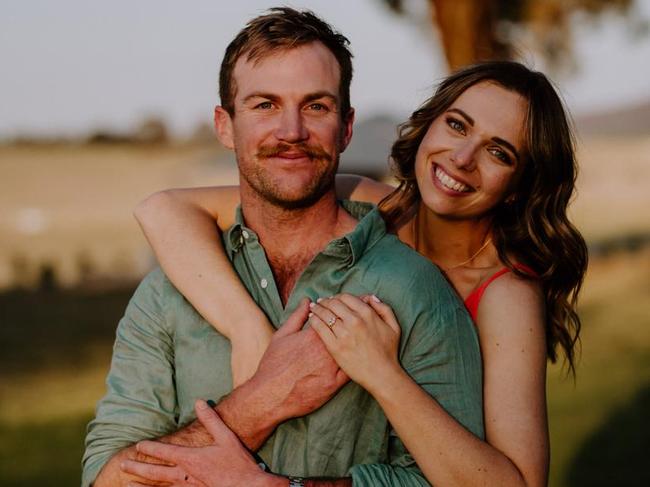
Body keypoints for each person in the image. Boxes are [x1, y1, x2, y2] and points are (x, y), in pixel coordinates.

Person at [131, 60, 588, 486]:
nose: (462, 158)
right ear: (429, 123)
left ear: (518, 188)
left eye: (499, 152)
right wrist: (248, 329)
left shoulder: (506, 293)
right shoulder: (373, 206)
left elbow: (520, 483)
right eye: (457, 125)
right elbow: (163, 209)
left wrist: (381, 373)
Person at [82, 8, 484, 487]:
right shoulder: (166, 295)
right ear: (225, 125)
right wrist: (264, 400)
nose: (291, 131)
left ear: (347, 126)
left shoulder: (413, 286)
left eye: (316, 106)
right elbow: (106, 482)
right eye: (264, 105)